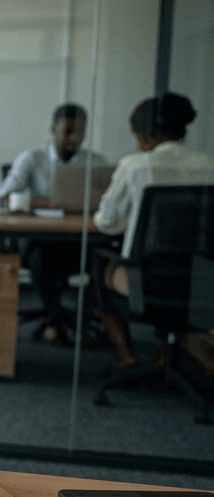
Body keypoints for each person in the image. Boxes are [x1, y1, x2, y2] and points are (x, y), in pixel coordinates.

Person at [92, 93, 214, 366]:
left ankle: (127, 357)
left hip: (146, 281)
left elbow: (107, 222)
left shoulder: (135, 166)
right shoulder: (210, 166)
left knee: (97, 272)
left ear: (144, 136)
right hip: (202, 282)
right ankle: (165, 355)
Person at [0, 104, 109, 345]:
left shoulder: (96, 162)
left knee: (104, 259)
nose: (73, 138)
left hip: (77, 241)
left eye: (79, 132)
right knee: (41, 258)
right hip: (41, 240)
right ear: (53, 130)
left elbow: (108, 204)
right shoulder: (32, 158)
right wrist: (49, 204)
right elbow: (5, 195)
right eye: (67, 132)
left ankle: (77, 318)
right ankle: (55, 319)